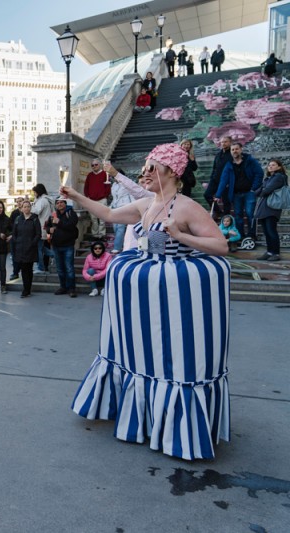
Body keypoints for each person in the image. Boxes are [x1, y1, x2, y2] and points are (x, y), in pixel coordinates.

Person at [64, 143, 231, 460]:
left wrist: (182, 237)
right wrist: (76, 196)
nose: (144, 171)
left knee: (173, 355)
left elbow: (220, 245)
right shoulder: (146, 204)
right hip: (147, 298)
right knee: (144, 353)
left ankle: (176, 424)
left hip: (175, 298)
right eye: (145, 166)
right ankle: (142, 412)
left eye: (151, 167)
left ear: (171, 171)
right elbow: (111, 214)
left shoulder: (186, 207)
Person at [214, 142, 264, 242]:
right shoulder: (229, 164)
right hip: (236, 194)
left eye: (236, 149)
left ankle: (251, 235)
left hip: (249, 193)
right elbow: (223, 180)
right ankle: (240, 235)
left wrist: (254, 188)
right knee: (238, 215)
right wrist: (218, 195)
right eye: (232, 150)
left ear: (241, 149)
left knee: (250, 214)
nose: (234, 151)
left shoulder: (250, 161)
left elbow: (259, 173)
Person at [44, 197, 79, 297]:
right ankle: (63, 287)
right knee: (60, 269)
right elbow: (46, 227)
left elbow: (71, 226)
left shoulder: (71, 213)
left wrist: (59, 222)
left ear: (65, 203)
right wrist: (48, 230)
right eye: (57, 203)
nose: (59, 204)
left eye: (61, 202)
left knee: (69, 268)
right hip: (56, 246)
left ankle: (72, 289)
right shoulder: (53, 215)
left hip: (68, 245)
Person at [254, 159, 288, 262]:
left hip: (272, 208)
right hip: (265, 207)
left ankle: (276, 253)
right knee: (267, 231)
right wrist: (263, 189)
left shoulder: (279, 177)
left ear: (279, 167)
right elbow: (258, 192)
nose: (270, 166)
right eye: (269, 165)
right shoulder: (268, 178)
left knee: (271, 231)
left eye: (273, 165)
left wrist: (263, 189)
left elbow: (266, 190)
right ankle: (269, 252)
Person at [10, 200, 40, 298]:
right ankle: (25, 289)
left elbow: (38, 234)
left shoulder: (34, 219)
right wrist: (16, 241)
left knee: (29, 269)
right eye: (24, 207)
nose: (26, 208)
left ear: (30, 207)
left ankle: (28, 289)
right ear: (21, 208)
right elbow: (14, 233)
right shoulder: (18, 219)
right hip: (20, 248)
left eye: (28, 206)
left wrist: (32, 243)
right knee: (23, 270)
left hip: (30, 249)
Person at [205, 136, 233, 219]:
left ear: (230, 142)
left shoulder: (232, 154)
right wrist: (212, 178)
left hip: (226, 181)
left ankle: (226, 217)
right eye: (222, 142)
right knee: (207, 195)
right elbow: (214, 168)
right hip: (215, 180)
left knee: (226, 200)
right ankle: (218, 211)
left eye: (225, 141)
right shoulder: (218, 154)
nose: (223, 143)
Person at [84, 159, 111, 240]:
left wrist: (105, 195)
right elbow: (86, 187)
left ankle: (102, 235)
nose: (94, 166)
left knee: (102, 218)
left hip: (102, 199)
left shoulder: (104, 174)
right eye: (92, 165)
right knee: (94, 219)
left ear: (99, 165)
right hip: (91, 200)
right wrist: (87, 196)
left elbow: (108, 186)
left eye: (96, 164)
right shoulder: (89, 175)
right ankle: (95, 235)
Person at [31, 184, 55, 274]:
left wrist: (30, 207)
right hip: (44, 226)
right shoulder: (47, 200)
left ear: (38, 192)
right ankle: (56, 255)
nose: (34, 194)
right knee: (42, 248)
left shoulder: (42, 200)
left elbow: (36, 211)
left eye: (35, 192)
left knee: (39, 249)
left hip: (40, 227)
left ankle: (41, 267)